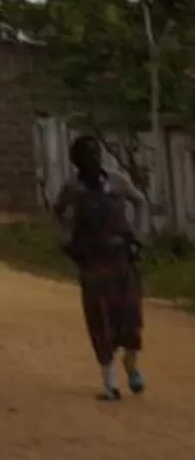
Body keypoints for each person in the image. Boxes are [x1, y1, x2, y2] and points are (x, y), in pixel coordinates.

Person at [53, 132, 147, 401]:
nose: (93, 159)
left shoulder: (117, 181)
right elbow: (58, 212)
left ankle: (131, 366)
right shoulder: (72, 189)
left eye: (96, 153)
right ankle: (110, 383)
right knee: (99, 318)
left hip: (121, 258)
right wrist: (67, 242)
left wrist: (138, 237)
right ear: (76, 161)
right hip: (92, 261)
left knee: (129, 317)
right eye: (86, 155)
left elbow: (139, 202)